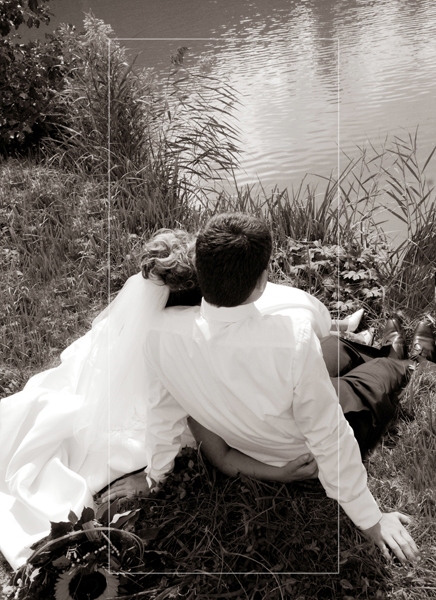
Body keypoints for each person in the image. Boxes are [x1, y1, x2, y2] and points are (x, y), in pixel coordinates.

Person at [104, 213, 427, 565]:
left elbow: (162, 413)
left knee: (335, 350)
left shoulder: (158, 335)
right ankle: (397, 353)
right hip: (300, 448)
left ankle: (364, 346)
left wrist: (156, 476)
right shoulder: (291, 336)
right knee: (379, 376)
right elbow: (329, 435)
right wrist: (371, 519)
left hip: (262, 425)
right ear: (262, 281)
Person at [0, 229, 319, 569]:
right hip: (163, 396)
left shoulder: (155, 330)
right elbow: (169, 422)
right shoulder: (181, 359)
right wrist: (155, 476)